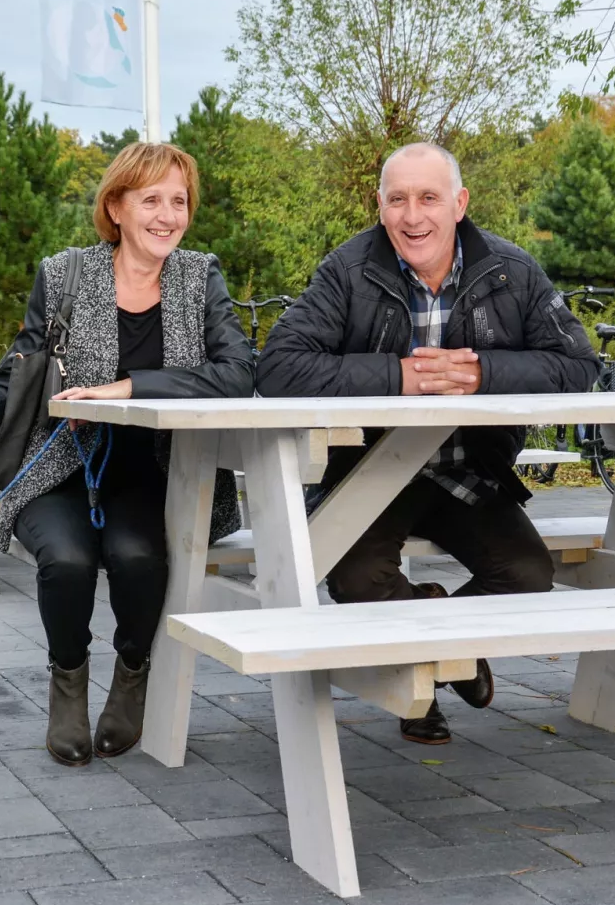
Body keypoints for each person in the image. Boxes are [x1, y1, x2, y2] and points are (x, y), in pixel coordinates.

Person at [0, 142, 251, 766]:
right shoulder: (65, 275)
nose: (168, 215)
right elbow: (13, 382)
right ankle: (68, 682)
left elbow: (238, 371)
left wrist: (128, 387)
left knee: (138, 557)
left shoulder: (200, 277)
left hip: (159, 475)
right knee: (66, 560)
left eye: (179, 200)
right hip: (60, 469)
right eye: (151, 200)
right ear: (115, 206)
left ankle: (133, 673)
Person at [256, 142, 597, 745]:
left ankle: (430, 657)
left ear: (460, 204)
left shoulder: (511, 272)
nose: (414, 216)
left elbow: (577, 364)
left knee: (526, 575)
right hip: (369, 473)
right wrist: (400, 376)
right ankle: (435, 661)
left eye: (429, 198)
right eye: (398, 199)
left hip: (467, 468)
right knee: (357, 582)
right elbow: (279, 366)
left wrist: (481, 374)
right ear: (380, 206)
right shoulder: (348, 269)